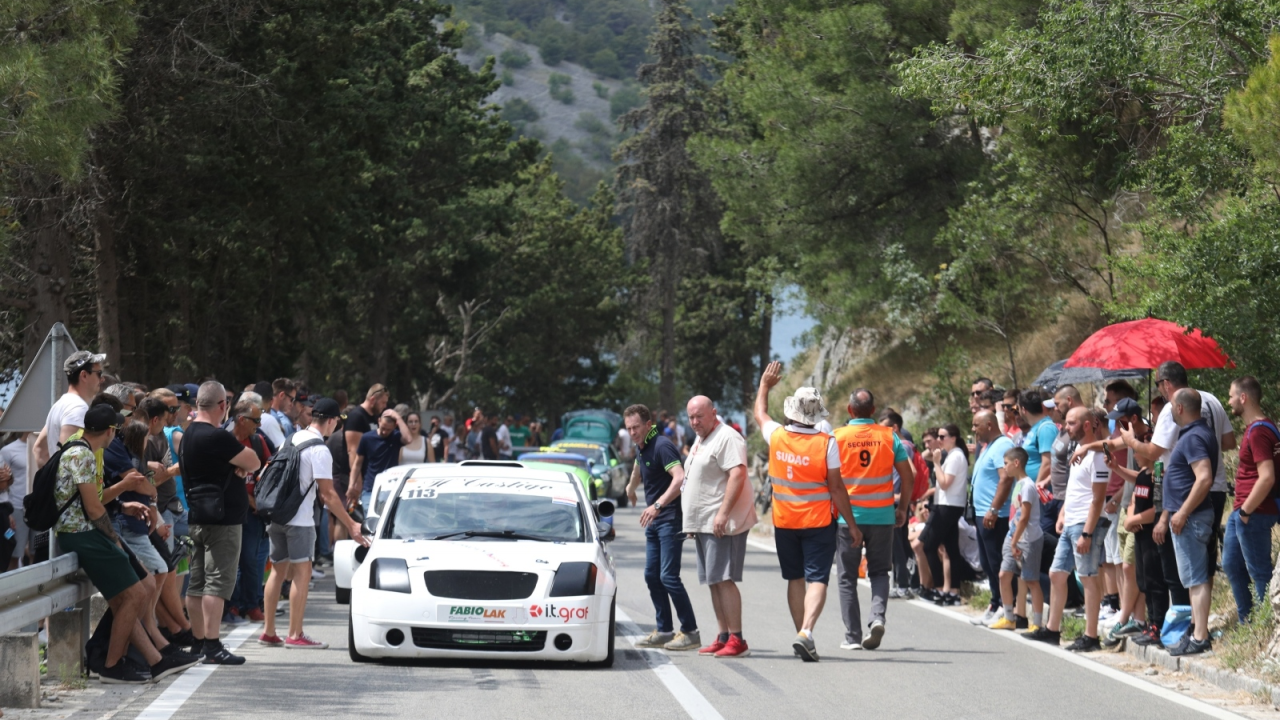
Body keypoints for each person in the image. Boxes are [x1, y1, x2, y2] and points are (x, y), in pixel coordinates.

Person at [55, 404, 202, 683]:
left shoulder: (85, 449)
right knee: (135, 593)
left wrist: (122, 504)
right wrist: (115, 539)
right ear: (110, 431)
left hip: (86, 530)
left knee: (138, 590)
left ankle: (152, 659)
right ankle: (112, 665)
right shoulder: (82, 454)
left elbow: (97, 499)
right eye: (116, 429)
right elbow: (94, 508)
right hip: (82, 533)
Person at [753, 361, 858, 662]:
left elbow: (760, 414)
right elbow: (837, 489)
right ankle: (806, 632)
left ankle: (802, 632)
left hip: (785, 521)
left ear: (790, 412)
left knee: (795, 579)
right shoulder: (827, 444)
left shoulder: (776, 436)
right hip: (818, 522)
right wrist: (851, 524)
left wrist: (764, 386)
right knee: (818, 579)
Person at [261, 398, 369, 648]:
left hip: (277, 514)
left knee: (277, 571)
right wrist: (351, 523)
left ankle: (268, 631)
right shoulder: (320, 449)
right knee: (302, 573)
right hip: (299, 520)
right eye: (336, 423)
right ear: (331, 421)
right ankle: (295, 634)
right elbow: (327, 494)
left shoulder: (293, 439)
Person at [1127, 362, 1234, 592]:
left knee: (1186, 562)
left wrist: (1132, 442)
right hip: (1216, 486)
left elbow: (1155, 452)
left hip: (1188, 490)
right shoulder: (1211, 400)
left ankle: (1192, 619)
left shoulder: (1173, 407)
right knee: (1207, 556)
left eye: (1158, 385)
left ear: (1166, 383)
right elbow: (1228, 442)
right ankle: (1198, 618)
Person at [181, 381, 262, 665]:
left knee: (197, 583)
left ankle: (199, 641)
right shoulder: (218, 437)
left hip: (197, 517)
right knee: (216, 583)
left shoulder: (188, 434)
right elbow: (253, 460)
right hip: (223, 519)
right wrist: (237, 466)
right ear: (222, 406)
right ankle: (213, 646)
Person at [832, 391, 914, 651]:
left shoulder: (837, 436)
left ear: (849, 409)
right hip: (882, 515)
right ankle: (877, 617)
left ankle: (852, 637)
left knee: (847, 577)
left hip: (849, 518)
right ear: (873, 409)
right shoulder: (888, 436)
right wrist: (903, 508)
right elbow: (908, 476)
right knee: (879, 571)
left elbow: (829, 479)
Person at [1025, 407, 1109, 650]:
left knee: (1088, 577)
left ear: (1086, 425)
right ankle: (1052, 630)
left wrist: (1087, 533)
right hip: (1071, 519)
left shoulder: (1098, 455)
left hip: (1085, 523)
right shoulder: (1078, 451)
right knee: (1056, 574)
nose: (1065, 427)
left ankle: (1091, 636)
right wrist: (1062, 513)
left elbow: (1097, 497)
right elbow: (1075, 489)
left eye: (1071, 423)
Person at [623, 404, 701, 652]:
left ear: (649, 425)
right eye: (629, 428)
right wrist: (630, 487)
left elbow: (679, 478)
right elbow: (638, 466)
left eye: (636, 427)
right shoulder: (643, 445)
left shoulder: (662, 445)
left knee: (668, 576)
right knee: (651, 575)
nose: (633, 432)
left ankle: (690, 632)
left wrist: (656, 505)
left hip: (669, 518)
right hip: (655, 521)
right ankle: (665, 630)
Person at [681, 396, 753, 656]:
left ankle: (738, 639)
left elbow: (738, 474)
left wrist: (723, 513)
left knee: (723, 578)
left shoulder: (727, 437)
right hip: (704, 523)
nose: (694, 422)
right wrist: (693, 520)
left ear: (714, 413)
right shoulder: (702, 438)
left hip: (721, 522)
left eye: (699, 416)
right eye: (690, 417)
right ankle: (723, 635)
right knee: (713, 580)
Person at [1158, 389, 1217, 656]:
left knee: (1196, 579)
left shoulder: (1193, 437)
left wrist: (1181, 513)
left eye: (1171, 405)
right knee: (1195, 578)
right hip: (1193, 516)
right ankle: (1197, 631)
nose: (1169, 410)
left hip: (1191, 518)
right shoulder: (1197, 433)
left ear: (1180, 408)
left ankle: (1200, 636)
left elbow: (1203, 477)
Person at [1220, 376, 1278, 624]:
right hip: (1243, 512)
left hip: (1253, 512)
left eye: (1232, 395)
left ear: (1243, 397)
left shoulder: (1259, 432)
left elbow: (1266, 477)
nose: (1229, 400)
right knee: (1232, 565)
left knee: (1259, 571)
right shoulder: (1260, 428)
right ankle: (1248, 621)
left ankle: (1265, 625)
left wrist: (1245, 511)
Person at [969, 411, 1016, 626]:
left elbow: (1005, 479)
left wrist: (994, 509)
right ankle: (995, 603)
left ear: (989, 425)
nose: (973, 429)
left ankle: (1007, 606)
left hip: (995, 515)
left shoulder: (1002, 445)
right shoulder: (990, 445)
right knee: (988, 563)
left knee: (998, 563)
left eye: (976, 425)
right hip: (981, 513)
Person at [227, 395, 271, 624]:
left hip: (253, 512)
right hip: (231, 509)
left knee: (251, 559)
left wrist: (260, 498)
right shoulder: (224, 440)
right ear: (241, 419)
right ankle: (233, 604)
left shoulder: (257, 441)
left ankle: (251, 604)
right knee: (233, 560)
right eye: (256, 421)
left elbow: (270, 467)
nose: (258, 426)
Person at [990, 447, 1045, 631]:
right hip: (1013, 535)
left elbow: (1025, 517)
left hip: (1028, 539)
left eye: (1006, 464)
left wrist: (1015, 541)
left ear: (1016, 463)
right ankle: (1009, 617)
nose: (1004, 468)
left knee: (1031, 580)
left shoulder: (1028, 485)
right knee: (1004, 575)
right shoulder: (1018, 484)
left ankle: (1037, 623)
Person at [917, 424, 969, 606]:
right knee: (950, 548)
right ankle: (952, 592)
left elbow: (945, 483)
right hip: (947, 504)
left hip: (948, 506)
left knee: (928, 545)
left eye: (942, 436)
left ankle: (938, 588)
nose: (939, 440)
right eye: (938, 436)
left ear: (953, 438)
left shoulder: (955, 456)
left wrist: (937, 463)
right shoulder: (952, 455)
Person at [33, 350, 106, 469]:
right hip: (76, 487)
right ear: (84, 375)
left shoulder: (61, 405)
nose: (102, 379)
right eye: (99, 373)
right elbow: (69, 458)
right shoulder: (77, 408)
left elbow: (39, 450)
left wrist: (51, 481)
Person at [347, 409, 411, 510]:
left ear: (395, 426)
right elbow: (357, 463)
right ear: (379, 421)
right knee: (370, 521)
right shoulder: (367, 438)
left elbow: (408, 439)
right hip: (370, 488)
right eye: (383, 428)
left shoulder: (396, 437)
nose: (384, 432)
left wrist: (398, 417)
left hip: (391, 488)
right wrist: (351, 485)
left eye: (388, 430)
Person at [344, 384, 388, 494]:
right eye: (383, 402)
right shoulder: (356, 417)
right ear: (373, 400)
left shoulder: (374, 417)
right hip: (355, 478)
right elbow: (353, 451)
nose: (385, 406)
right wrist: (357, 482)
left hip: (370, 478)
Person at [2, 432, 30, 569]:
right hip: (16, 508)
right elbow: (3, 485)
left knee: (38, 552)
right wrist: (8, 512)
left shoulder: (45, 447)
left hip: (39, 509)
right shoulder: (8, 450)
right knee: (13, 551)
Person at [258, 378, 296, 448]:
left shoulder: (271, 415)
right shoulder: (272, 418)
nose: (292, 404)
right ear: (282, 395)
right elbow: (283, 450)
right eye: (291, 399)